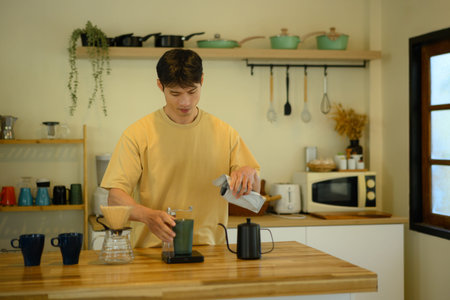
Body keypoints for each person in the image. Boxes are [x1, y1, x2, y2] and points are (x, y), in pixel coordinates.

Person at [101, 49, 260, 248]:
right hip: (153, 253)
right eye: (175, 93)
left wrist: (249, 173)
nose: (185, 102)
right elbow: (115, 197)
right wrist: (148, 216)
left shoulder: (226, 133)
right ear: (160, 85)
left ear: (202, 80)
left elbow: (254, 193)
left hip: (211, 253)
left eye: (192, 91)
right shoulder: (137, 134)